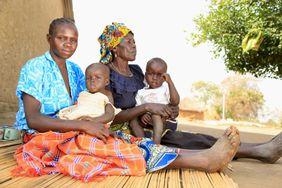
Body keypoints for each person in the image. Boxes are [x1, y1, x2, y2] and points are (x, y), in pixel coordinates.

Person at [12, 18, 240, 182]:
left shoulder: (74, 70)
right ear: (49, 38)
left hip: (74, 128)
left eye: (73, 39)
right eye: (62, 38)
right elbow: (33, 119)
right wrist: (84, 125)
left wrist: (102, 119)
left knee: (128, 141)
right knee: (109, 150)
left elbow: (97, 101)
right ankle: (203, 161)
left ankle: (203, 157)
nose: (68, 44)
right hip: (43, 136)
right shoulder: (35, 68)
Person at [98, 22, 282, 164]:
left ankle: (260, 148)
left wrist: (170, 108)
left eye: (134, 41)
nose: (134, 46)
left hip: (152, 124)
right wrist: (146, 108)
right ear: (114, 47)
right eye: (128, 42)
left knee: (198, 138)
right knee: (190, 142)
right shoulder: (105, 73)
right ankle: (261, 151)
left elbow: (153, 94)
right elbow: (110, 117)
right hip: (128, 132)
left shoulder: (138, 71)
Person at [130, 57, 179, 144]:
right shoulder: (141, 92)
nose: (154, 78)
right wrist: (142, 115)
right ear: (145, 75)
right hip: (148, 122)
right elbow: (138, 108)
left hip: (165, 119)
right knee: (133, 120)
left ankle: (155, 144)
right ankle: (143, 142)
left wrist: (170, 82)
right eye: (151, 74)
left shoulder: (166, 88)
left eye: (159, 75)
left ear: (164, 77)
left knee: (155, 115)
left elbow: (175, 102)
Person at [57, 63, 120, 127]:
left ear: (106, 82)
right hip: (77, 122)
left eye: (98, 78)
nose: (92, 80)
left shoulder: (106, 96)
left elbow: (110, 115)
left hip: (95, 124)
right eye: (88, 78)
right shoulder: (84, 94)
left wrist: (94, 120)